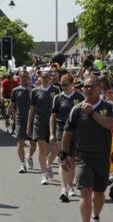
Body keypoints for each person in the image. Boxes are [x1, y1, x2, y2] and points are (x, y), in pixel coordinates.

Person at [61, 75, 113, 222]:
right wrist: (64, 154)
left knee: (99, 192)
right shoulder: (76, 109)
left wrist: (92, 113)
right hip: (83, 157)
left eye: (92, 85)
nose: (88, 89)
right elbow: (67, 133)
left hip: (101, 157)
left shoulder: (107, 106)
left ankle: (95, 216)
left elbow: (111, 125)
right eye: (86, 86)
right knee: (85, 191)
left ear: (99, 88)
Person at [50, 74, 84, 202]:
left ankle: (70, 186)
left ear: (71, 83)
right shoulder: (58, 98)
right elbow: (53, 116)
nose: (62, 86)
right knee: (63, 160)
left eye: (65, 84)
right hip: (61, 131)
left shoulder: (79, 97)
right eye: (61, 84)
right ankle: (63, 189)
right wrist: (52, 133)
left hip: (76, 133)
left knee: (73, 161)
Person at [27, 71, 60, 185]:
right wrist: (29, 125)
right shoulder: (35, 91)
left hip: (53, 122)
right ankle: (44, 174)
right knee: (42, 148)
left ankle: (49, 164)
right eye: (43, 76)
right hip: (39, 121)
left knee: (54, 149)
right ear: (40, 77)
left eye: (47, 76)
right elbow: (32, 109)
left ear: (50, 77)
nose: (45, 78)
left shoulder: (56, 90)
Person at [8, 71, 36, 173]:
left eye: (25, 77)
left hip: (32, 119)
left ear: (29, 78)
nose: (24, 78)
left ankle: (30, 156)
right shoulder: (15, 90)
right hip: (20, 119)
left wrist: (30, 90)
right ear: (19, 78)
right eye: (22, 77)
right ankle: (22, 164)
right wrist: (7, 115)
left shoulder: (34, 90)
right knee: (20, 142)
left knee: (33, 143)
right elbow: (12, 104)